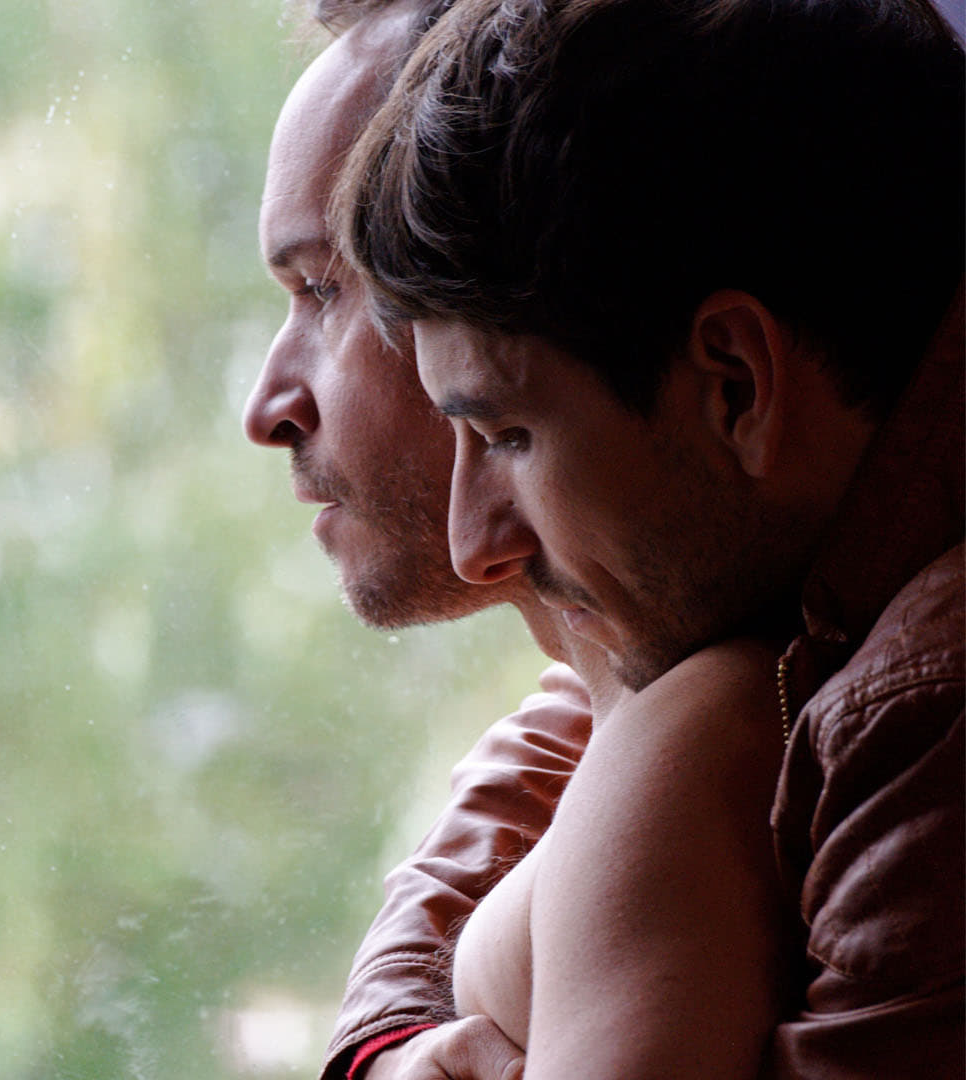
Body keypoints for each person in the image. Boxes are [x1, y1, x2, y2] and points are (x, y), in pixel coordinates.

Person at [332, 0, 965, 1075]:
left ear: (735, 384)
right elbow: (582, 706)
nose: (473, 543)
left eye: (508, 435)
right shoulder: (796, 592)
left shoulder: (928, 717)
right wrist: (389, 1045)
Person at [245, 5, 609, 1077]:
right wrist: (393, 1044)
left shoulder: (862, 728)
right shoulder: (617, 695)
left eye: (324, 288)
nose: (267, 407)